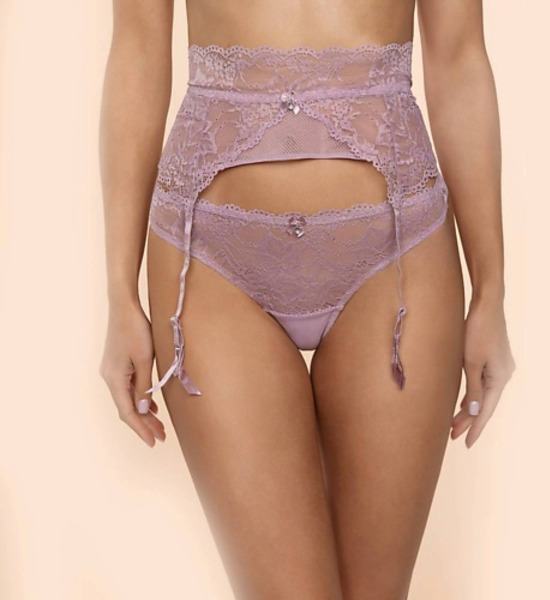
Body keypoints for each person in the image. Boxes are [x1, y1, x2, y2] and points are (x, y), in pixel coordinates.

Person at [99, 0, 516, 597]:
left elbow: (459, 56)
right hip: (210, 260)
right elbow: (137, 47)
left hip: (397, 257)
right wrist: (119, 292)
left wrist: (491, 287)